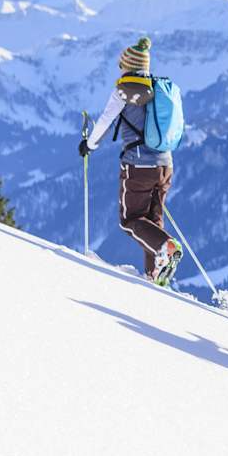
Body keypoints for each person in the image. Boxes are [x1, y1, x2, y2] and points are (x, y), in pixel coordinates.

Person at [79, 37, 182, 284]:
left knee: (130, 221)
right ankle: (154, 275)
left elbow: (105, 121)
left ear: (128, 65)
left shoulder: (124, 90)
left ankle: (164, 248)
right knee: (152, 221)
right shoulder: (160, 88)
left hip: (138, 166)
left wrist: (89, 145)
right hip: (165, 164)